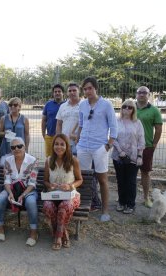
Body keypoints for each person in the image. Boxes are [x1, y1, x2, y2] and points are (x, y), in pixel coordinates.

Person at [76, 77, 117, 222]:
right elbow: (81, 124)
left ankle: (105, 211)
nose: (87, 91)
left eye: (90, 88)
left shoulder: (106, 104)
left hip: (100, 147)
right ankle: (84, 206)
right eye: (85, 89)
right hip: (83, 147)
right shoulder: (82, 104)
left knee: (102, 179)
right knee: (84, 179)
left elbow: (114, 127)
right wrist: (78, 140)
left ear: (96, 88)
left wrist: (108, 145)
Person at [0, 137, 39, 246]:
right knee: (0, 199)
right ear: (10, 149)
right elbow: (7, 180)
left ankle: (34, 232)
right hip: (12, 188)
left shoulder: (33, 161)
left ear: (24, 147)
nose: (16, 149)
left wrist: (23, 195)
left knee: (31, 202)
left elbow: (32, 183)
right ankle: (0, 227)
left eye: (19, 146)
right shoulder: (7, 161)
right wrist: (10, 193)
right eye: (13, 147)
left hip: (28, 190)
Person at [42, 134, 82, 250]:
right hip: (54, 194)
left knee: (65, 206)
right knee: (47, 205)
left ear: (67, 146)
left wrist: (70, 185)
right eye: (56, 144)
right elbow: (45, 181)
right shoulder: (49, 160)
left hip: (70, 195)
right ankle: (64, 234)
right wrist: (51, 185)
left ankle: (58, 237)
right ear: (53, 145)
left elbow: (80, 180)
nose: (59, 147)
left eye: (62, 144)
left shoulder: (73, 160)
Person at [112, 100, 145, 214]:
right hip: (118, 156)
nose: (127, 109)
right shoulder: (116, 121)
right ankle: (121, 202)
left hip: (133, 157)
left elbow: (141, 140)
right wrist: (120, 151)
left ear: (133, 110)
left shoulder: (137, 122)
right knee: (120, 181)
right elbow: (113, 137)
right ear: (121, 108)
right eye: (124, 106)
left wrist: (140, 156)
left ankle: (130, 204)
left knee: (131, 181)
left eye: (130, 107)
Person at [136, 86, 162, 208]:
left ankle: (146, 198)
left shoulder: (154, 110)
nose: (141, 94)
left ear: (149, 95)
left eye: (144, 93)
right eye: (139, 92)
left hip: (146, 146)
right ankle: (124, 196)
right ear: (136, 94)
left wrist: (154, 143)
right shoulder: (130, 107)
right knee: (128, 173)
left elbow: (158, 129)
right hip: (130, 147)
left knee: (145, 173)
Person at [0, 97, 30, 161]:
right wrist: (5, 133)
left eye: (15, 105)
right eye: (10, 105)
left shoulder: (24, 119)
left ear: (19, 107)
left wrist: (26, 148)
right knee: (6, 168)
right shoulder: (3, 118)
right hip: (6, 148)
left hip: (19, 148)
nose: (12, 106)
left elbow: (27, 135)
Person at [56, 82, 81, 155]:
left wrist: (78, 137)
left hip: (79, 142)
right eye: (70, 91)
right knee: (67, 165)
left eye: (74, 90)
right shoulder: (63, 106)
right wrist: (58, 138)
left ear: (79, 91)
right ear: (67, 93)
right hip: (65, 142)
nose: (72, 92)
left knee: (78, 164)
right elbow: (59, 124)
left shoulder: (84, 105)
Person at [42, 84, 64, 157]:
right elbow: (44, 120)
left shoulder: (66, 105)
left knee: (62, 157)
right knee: (49, 158)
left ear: (63, 93)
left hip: (63, 137)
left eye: (59, 91)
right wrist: (43, 134)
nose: (57, 93)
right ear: (53, 93)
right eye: (55, 92)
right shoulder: (48, 104)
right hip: (50, 136)